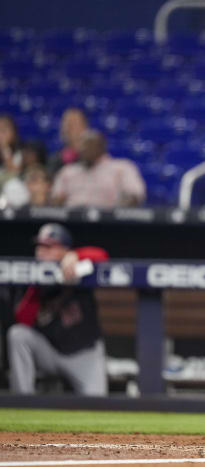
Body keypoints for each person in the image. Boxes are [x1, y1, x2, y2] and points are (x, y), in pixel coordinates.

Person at [7, 223, 109, 395]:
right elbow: (23, 319)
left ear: (64, 249)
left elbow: (102, 256)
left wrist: (75, 255)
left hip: (83, 354)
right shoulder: (31, 277)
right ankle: (23, 400)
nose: (42, 251)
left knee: (97, 406)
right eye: (40, 246)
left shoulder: (79, 268)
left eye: (49, 246)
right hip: (49, 351)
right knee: (17, 334)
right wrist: (39, 284)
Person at [51, 129, 146, 208]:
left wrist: (119, 210)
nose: (84, 149)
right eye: (82, 145)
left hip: (109, 221)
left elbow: (135, 195)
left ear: (101, 147)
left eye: (89, 145)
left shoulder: (121, 168)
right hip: (72, 220)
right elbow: (55, 199)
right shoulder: (68, 171)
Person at [47, 108, 89, 176]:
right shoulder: (56, 160)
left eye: (74, 124)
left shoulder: (93, 158)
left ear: (85, 127)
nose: (68, 128)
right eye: (66, 124)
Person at [0, 114, 21, 191]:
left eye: (4, 130)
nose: (1, 134)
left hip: (12, 189)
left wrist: (5, 148)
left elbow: (14, 172)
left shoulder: (21, 151)